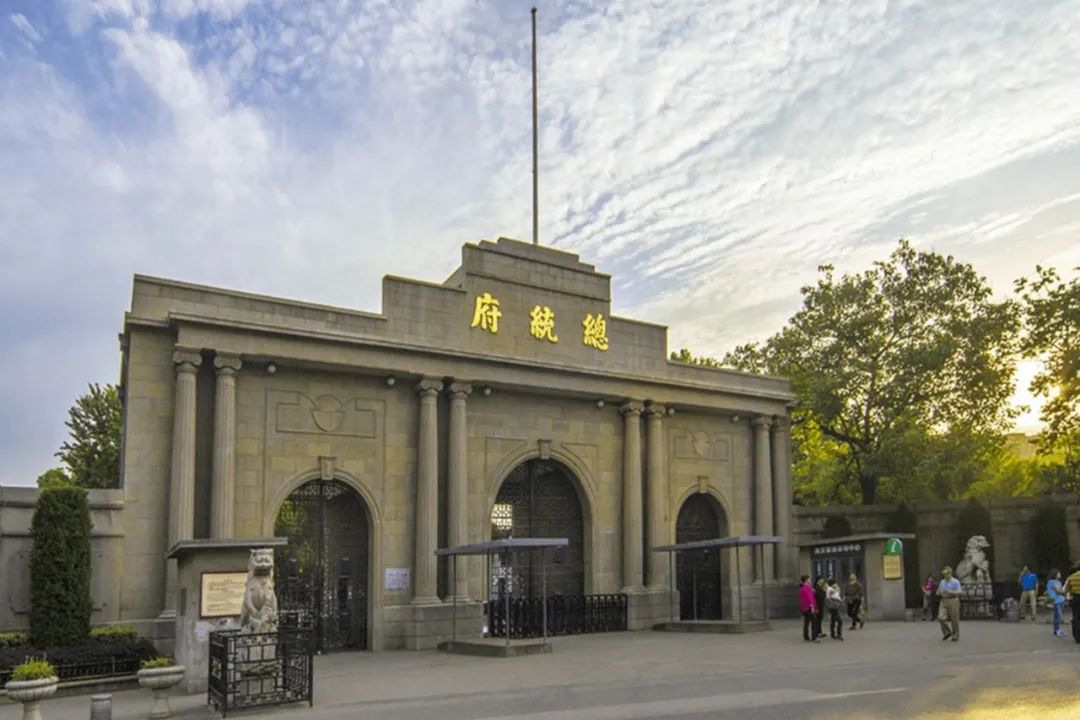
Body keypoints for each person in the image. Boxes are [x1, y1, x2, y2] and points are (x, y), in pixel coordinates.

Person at [937, 566, 962, 642]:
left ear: (950, 573)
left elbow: (959, 592)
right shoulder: (942, 582)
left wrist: (950, 592)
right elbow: (939, 590)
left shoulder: (955, 581)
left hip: (953, 600)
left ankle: (955, 635)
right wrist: (938, 592)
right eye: (944, 574)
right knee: (941, 617)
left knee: (954, 619)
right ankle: (947, 632)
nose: (945, 575)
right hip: (944, 600)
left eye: (946, 574)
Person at [1047, 568, 1067, 637]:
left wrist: (1063, 591)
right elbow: (1058, 590)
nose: (1060, 574)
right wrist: (1064, 591)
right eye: (1058, 573)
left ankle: (1057, 629)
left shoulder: (1059, 582)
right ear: (1055, 574)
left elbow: (1061, 590)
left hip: (1061, 600)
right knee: (1058, 615)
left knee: (1058, 616)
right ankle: (1057, 630)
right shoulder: (1051, 581)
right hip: (1055, 600)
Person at [799, 575, 819, 642]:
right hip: (809, 607)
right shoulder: (807, 587)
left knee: (806, 622)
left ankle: (806, 636)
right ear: (806, 580)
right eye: (809, 579)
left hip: (804, 607)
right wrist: (812, 606)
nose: (810, 580)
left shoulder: (802, 588)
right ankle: (814, 637)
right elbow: (810, 598)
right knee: (814, 622)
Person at [1064, 566, 1080, 644]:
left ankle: (1077, 635)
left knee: (1076, 616)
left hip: (1075, 598)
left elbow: (1066, 590)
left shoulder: (1071, 577)